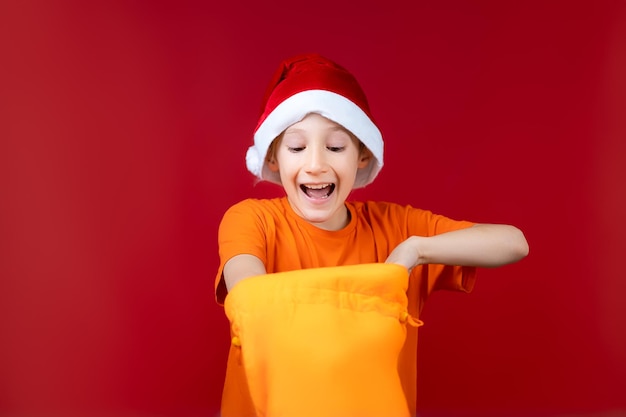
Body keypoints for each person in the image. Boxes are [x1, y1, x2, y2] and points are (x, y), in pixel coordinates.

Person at [214, 53, 529, 417]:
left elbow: (513, 243)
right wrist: (376, 285)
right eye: (297, 147)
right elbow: (248, 293)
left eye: (335, 147)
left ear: (362, 156)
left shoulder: (395, 227)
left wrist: (416, 251)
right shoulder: (252, 219)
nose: (316, 164)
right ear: (274, 159)